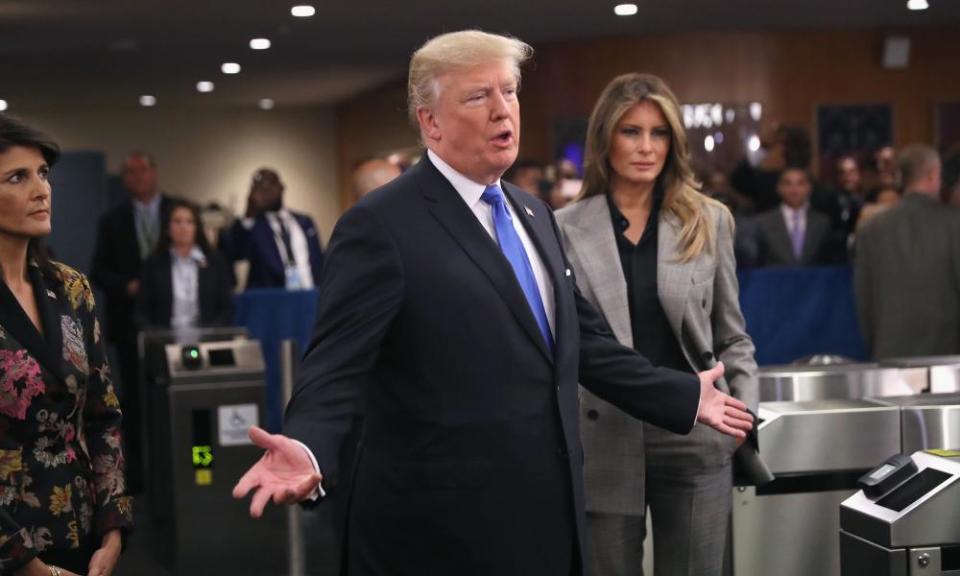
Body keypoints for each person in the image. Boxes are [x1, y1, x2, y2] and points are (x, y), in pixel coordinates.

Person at [232, 30, 752, 576]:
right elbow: (334, 367)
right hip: (440, 531)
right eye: (479, 97)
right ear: (430, 122)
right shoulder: (382, 224)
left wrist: (680, 394)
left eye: (510, 91)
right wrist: (309, 445)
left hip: (547, 519)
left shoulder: (534, 214)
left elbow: (584, 342)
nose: (503, 110)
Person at [556, 73, 758, 576]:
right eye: (631, 131)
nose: (647, 147)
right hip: (603, 435)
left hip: (697, 429)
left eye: (659, 133)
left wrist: (743, 415)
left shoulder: (706, 220)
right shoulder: (561, 228)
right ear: (605, 139)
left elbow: (732, 334)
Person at [0, 114, 133, 576]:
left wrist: (112, 531)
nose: (41, 189)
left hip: (81, 536)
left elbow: (104, 415)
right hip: (11, 549)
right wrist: (30, 568)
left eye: (43, 174)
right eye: (18, 177)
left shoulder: (70, 287)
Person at [90, 151, 173, 493]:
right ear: (124, 180)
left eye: (142, 171)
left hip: (174, 323)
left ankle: (180, 466)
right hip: (130, 326)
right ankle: (139, 476)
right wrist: (128, 285)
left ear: (154, 173)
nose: (137, 177)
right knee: (135, 402)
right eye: (130, 172)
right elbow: (98, 270)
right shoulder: (113, 220)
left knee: (174, 399)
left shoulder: (177, 211)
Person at [855, 144, 960, 360]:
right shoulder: (954, 224)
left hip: (889, 350)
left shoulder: (870, 228)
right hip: (946, 355)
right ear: (933, 175)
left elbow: (863, 299)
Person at [219, 168, 324, 290]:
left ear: (281, 187)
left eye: (270, 186)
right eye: (260, 189)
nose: (266, 193)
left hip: (311, 296)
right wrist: (249, 214)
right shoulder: (253, 227)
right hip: (272, 301)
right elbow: (235, 253)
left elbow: (318, 261)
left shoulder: (305, 222)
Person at [136, 199, 234, 330]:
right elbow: (141, 313)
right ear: (167, 228)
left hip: (206, 340)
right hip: (165, 341)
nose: (183, 227)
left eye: (189, 222)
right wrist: (156, 337)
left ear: (197, 228)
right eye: (177, 221)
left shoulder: (215, 261)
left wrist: (211, 333)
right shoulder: (154, 263)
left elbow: (227, 309)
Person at [754, 167, 833, 267]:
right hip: (775, 281)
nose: (794, 189)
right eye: (788, 183)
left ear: (809, 188)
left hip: (814, 281)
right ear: (779, 188)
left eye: (800, 183)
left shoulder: (822, 223)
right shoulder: (763, 222)